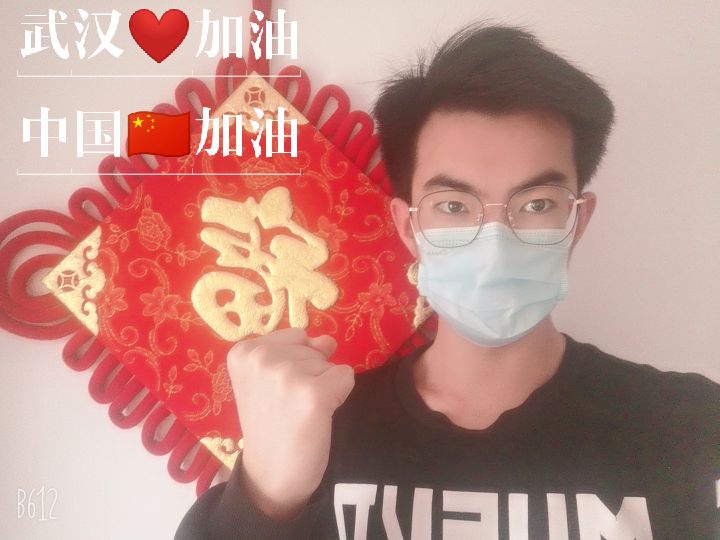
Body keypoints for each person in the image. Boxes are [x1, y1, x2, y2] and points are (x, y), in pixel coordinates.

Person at [175, 23, 719, 539]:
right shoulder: (319, 426)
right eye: (454, 206)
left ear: (577, 221)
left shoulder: (689, 426)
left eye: (536, 204)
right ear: (407, 227)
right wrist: (265, 498)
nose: (496, 239)